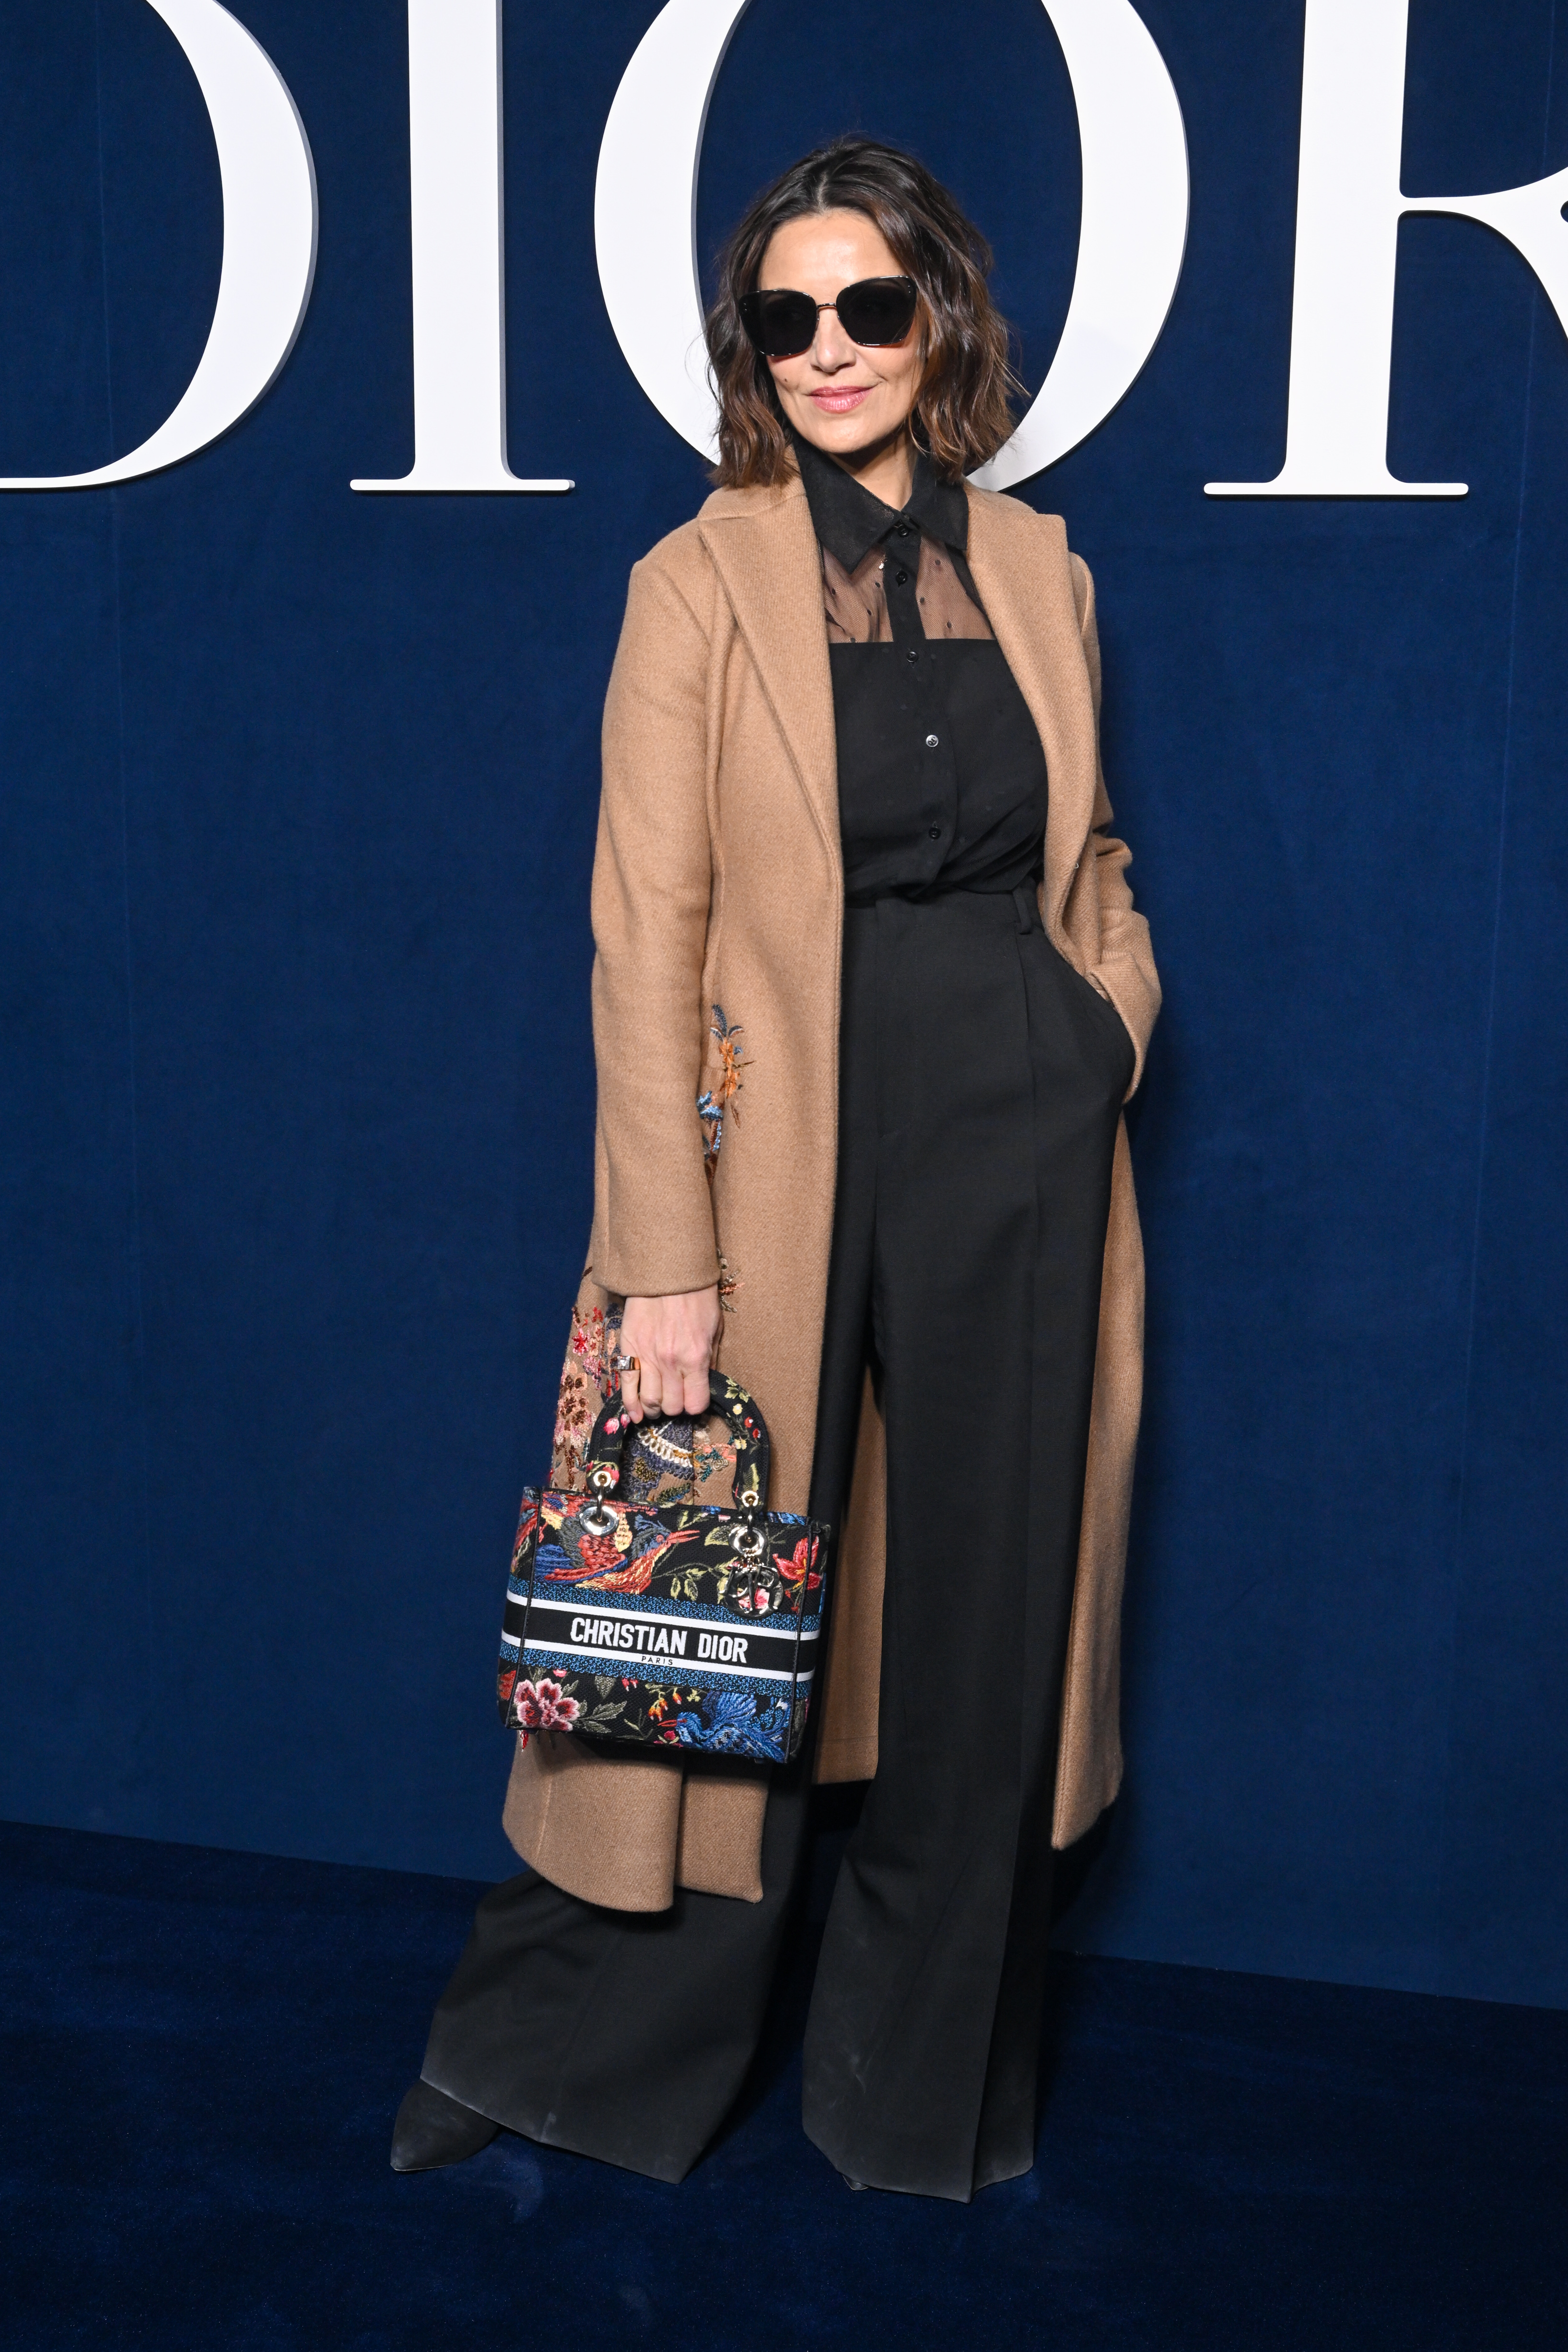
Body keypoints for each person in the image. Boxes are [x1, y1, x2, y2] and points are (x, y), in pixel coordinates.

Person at [392, 136, 1159, 2203]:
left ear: (941, 322)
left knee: (991, 1618)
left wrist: (1102, 1026)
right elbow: (640, 929)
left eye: (869, 307)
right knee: (698, 1631)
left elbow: (1085, 864)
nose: (829, 349)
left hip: (1014, 1114)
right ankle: (582, 2065)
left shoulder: (1041, 567)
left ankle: (920, 2107)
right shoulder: (693, 578)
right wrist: (661, 1255)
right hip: (777, 1151)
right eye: (786, 316)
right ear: (752, 346)